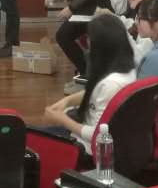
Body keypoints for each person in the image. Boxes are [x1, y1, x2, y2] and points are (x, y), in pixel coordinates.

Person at [39, 14, 137, 155]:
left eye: (89, 38)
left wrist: (62, 119)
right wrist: (67, 101)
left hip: (85, 148)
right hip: (87, 138)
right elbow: (97, 93)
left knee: (29, 138)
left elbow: (98, 135)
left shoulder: (111, 84)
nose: (87, 43)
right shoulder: (127, 70)